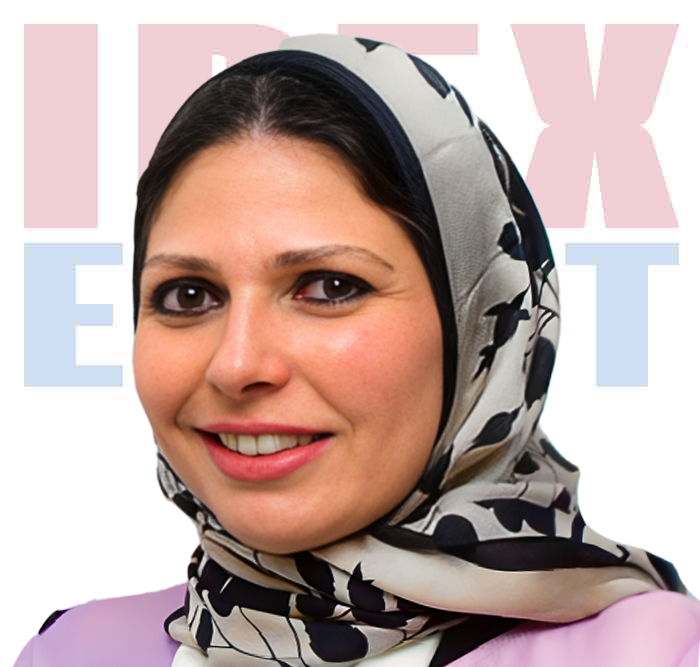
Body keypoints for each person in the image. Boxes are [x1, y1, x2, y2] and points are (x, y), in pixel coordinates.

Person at [14, 34, 700, 667]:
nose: (237, 365)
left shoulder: (653, 655)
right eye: (189, 295)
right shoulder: (73, 655)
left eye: (330, 286)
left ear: (480, 324)